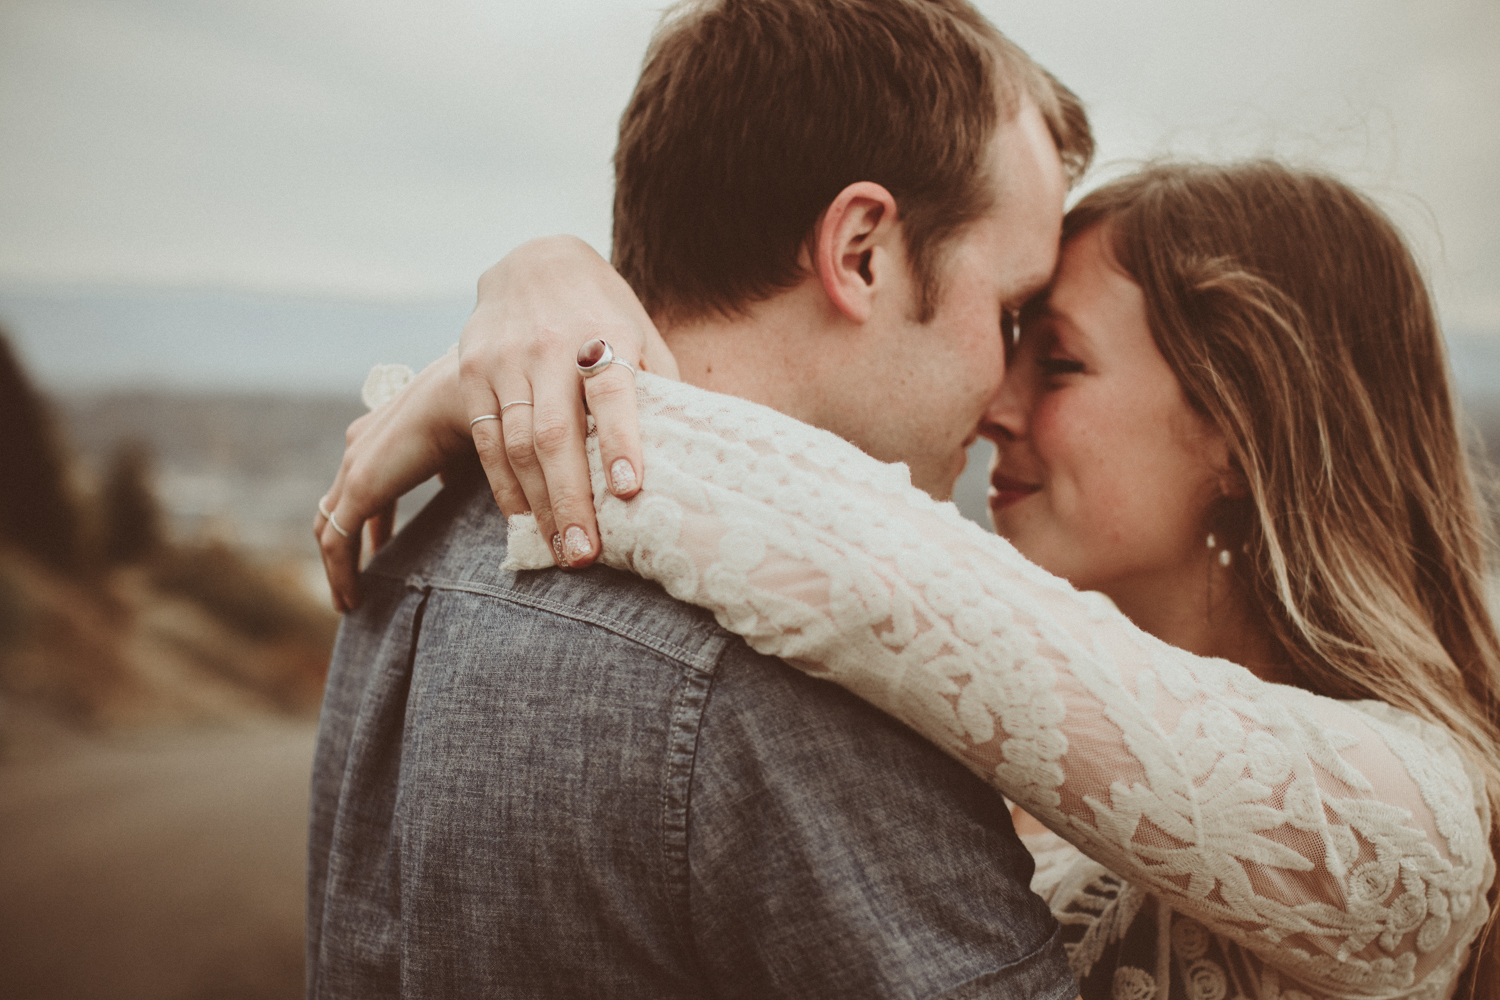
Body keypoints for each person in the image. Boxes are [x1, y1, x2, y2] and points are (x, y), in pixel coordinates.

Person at [319, 161, 1500, 1000]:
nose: (996, 409)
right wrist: (538, 287)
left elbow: (890, 584)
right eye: (1011, 342)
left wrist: (550, 370)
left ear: (1240, 427)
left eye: (1064, 363)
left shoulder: (1420, 814)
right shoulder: (1053, 769)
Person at [305, 1, 1097, 997]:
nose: (1008, 391)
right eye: (1011, 310)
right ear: (861, 253)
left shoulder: (422, 540)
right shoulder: (812, 644)